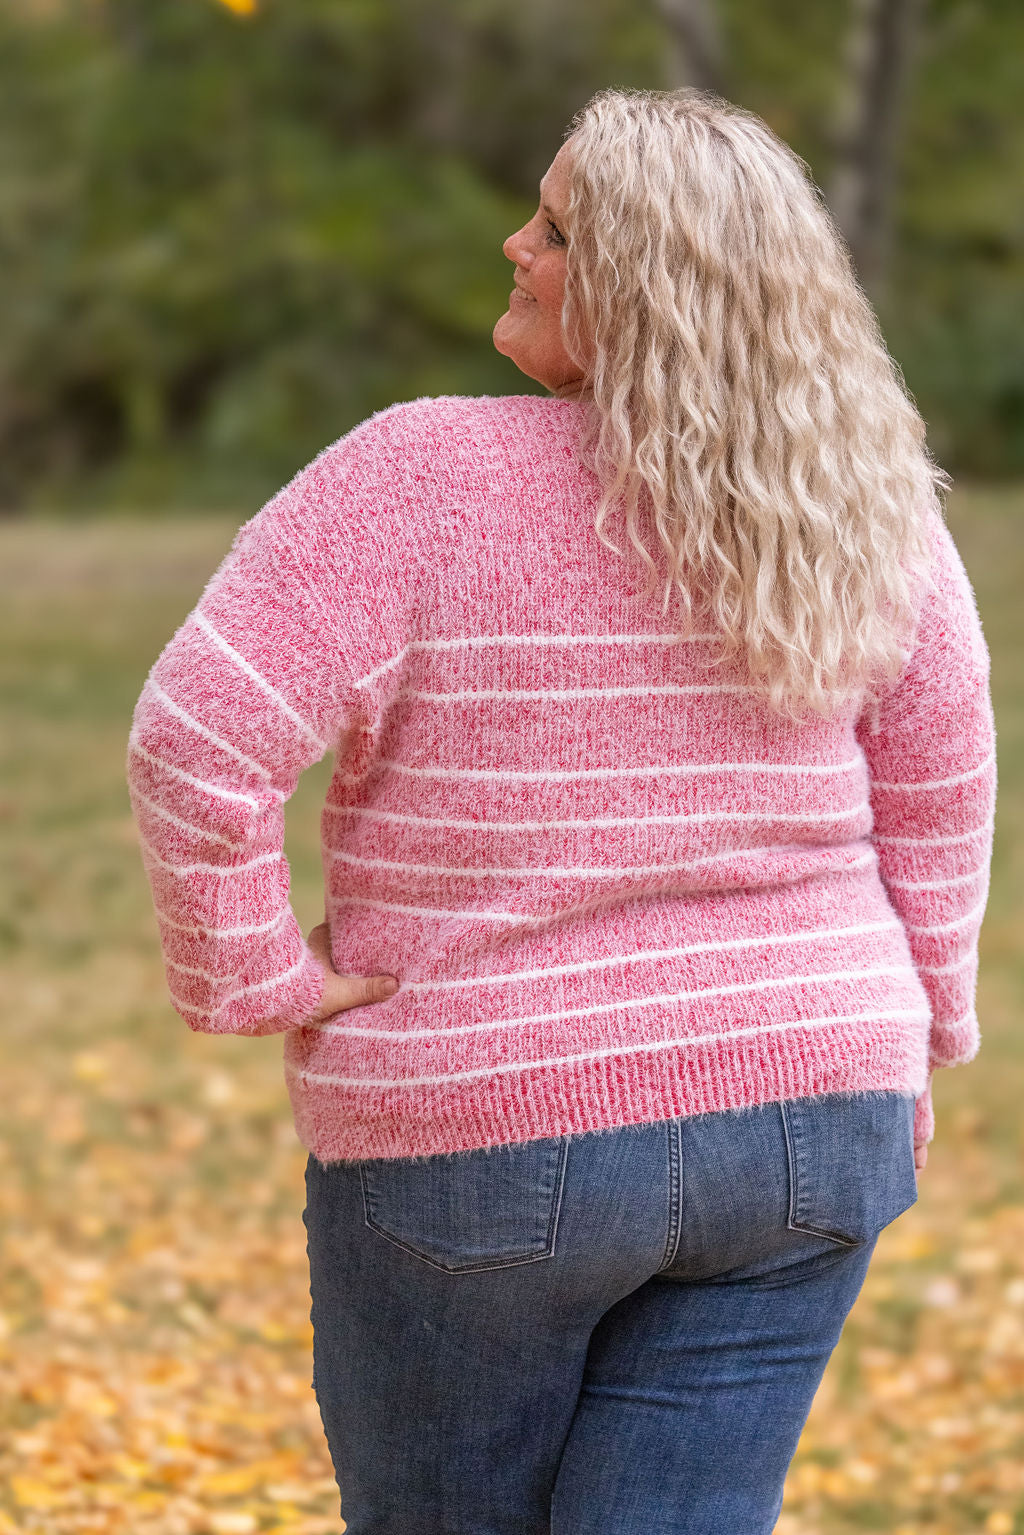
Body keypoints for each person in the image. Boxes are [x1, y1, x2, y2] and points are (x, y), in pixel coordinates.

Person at [127, 87, 996, 1535]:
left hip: (487, 1133)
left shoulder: (414, 478)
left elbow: (192, 738)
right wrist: (925, 1028)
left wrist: (253, 979)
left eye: (556, 227)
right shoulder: (866, 504)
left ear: (644, 283)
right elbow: (943, 787)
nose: (512, 242)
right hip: (812, 1108)